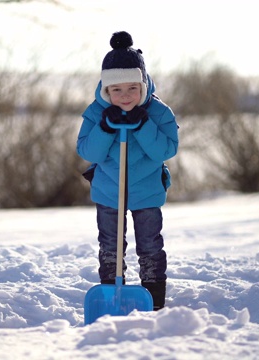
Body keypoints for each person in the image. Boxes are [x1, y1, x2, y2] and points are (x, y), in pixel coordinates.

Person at [76, 31, 179, 310]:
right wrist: (106, 128)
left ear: (143, 85)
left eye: (132, 88)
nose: (124, 96)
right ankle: (112, 291)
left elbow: (166, 150)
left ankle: (154, 297)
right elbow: (87, 151)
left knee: (150, 246)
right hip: (108, 190)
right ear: (106, 90)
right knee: (110, 246)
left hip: (147, 191)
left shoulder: (158, 112)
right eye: (116, 90)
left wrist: (143, 125)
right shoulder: (97, 112)